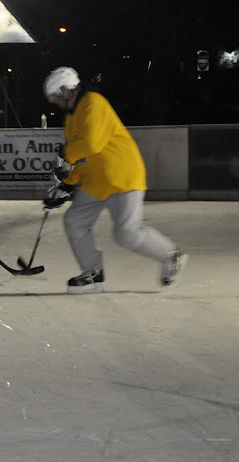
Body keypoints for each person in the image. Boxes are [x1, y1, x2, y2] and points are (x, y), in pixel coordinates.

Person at [42, 66, 185, 293]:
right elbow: (81, 157)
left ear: (67, 90)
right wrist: (66, 186)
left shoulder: (94, 103)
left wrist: (65, 155)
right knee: (74, 221)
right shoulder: (70, 118)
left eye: (56, 96)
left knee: (127, 234)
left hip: (122, 176)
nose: (56, 102)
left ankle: (171, 255)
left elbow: (91, 143)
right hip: (97, 182)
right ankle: (93, 272)